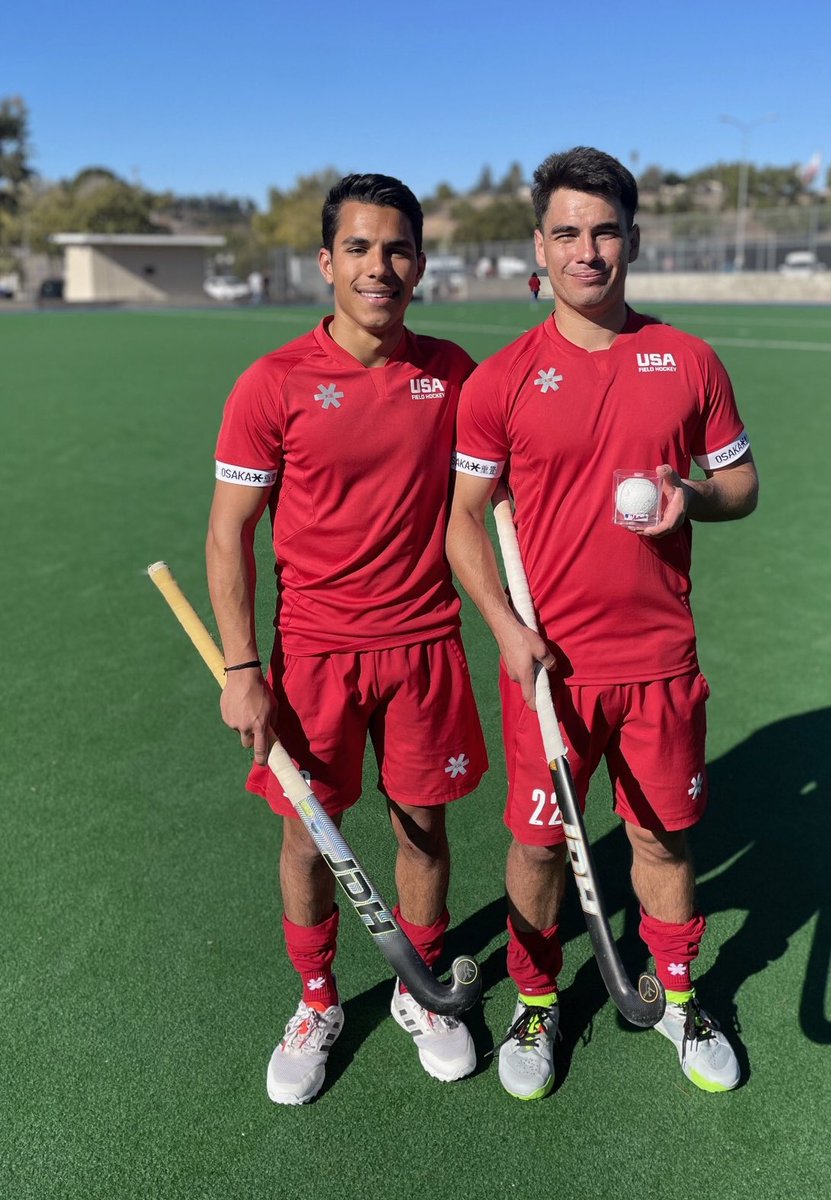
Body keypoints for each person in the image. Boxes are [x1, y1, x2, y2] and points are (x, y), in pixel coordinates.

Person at [446, 146, 759, 1100]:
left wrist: (691, 502)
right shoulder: (500, 380)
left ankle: (677, 991)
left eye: (606, 231)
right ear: (539, 249)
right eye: (568, 233)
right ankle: (536, 1000)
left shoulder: (686, 359)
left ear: (631, 239)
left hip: (659, 658)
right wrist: (504, 627)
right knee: (542, 843)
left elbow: (740, 487)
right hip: (546, 667)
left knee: (661, 838)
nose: (589, 251)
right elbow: (463, 523)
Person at [206, 173, 488, 1105]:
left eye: (398, 249)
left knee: (422, 825)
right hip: (314, 656)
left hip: (424, 642)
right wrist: (243, 668)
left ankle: (424, 989)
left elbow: (502, 490)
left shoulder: (452, 372)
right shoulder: (273, 382)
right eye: (360, 249)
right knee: (307, 837)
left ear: (421, 263)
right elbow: (227, 533)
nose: (381, 266)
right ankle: (318, 998)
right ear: (327, 262)